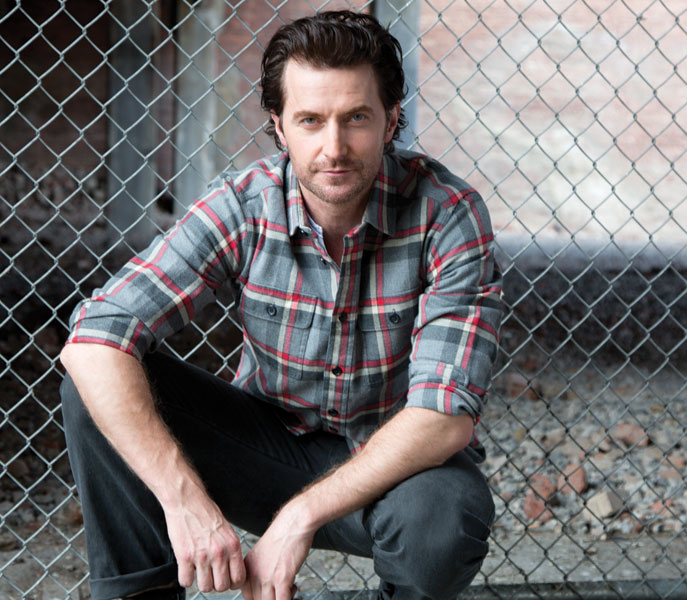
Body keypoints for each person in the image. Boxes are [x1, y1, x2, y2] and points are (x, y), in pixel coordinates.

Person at [59, 10, 503, 600]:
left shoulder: (447, 214)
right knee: (95, 385)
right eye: (310, 120)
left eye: (356, 118)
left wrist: (299, 517)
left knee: (444, 517)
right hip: (262, 450)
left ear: (392, 119)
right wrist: (184, 501)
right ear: (279, 126)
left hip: (391, 472)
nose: (333, 148)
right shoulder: (245, 204)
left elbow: (444, 416)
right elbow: (94, 337)